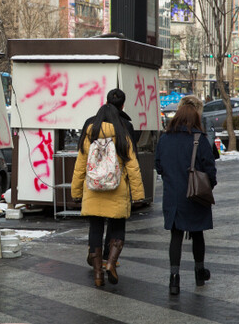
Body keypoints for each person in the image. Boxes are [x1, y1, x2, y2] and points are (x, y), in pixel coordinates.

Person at [71, 103, 145, 287]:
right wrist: (138, 194)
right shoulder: (122, 136)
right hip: (116, 190)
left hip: (93, 190)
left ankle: (97, 275)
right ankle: (110, 263)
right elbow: (133, 167)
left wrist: (76, 192)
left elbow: (80, 167)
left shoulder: (89, 135)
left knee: (95, 230)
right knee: (118, 228)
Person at [155, 104, 217, 295]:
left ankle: (174, 279)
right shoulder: (200, 139)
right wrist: (208, 186)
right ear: (196, 119)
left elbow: (159, 166)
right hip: (195, 194)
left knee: (176, 235)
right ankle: (199, 273)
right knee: (197, 234)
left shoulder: (164, 139)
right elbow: (210, 169)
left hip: (173, 196)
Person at [79, 88, 139, 265]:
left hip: (93, 183)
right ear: (122, 105)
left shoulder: (91, 124)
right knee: (116, 222)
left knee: (95, 224)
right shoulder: (125, 126)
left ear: (105, 102)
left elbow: (81, 157)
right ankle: (109, 258)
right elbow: (132, 159)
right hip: (117, 182)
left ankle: (95, 260)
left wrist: (76, 190)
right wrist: (136, 192)